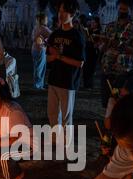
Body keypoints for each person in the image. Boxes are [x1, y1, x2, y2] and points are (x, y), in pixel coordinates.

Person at [46, 0, 85, 128]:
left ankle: (65, 144)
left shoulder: (76, 36)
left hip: (68, 82)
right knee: (52, 113)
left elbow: (80, 63)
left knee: (66, 117)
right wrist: (53, 56)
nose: (61, 15)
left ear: (73, 14)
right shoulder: (55, 34)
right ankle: (54, 139)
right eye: (60, 11)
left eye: (65, 12)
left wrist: (59, 56)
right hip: (53, 80)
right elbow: (47, 59)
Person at [100, 0, 133, 112]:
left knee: (121, 103)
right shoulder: (110, 26)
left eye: (124, 9)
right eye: (120, 9)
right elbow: (103, 48)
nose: (121, 11)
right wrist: (101, 44)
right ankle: (107, 124)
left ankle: (119, 126)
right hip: (107, 69)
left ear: (130, 11)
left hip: (123, 72)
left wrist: (121, 46)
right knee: (107, 102)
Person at [31, 13, 52, 90]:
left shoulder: (36, 27)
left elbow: (32, 38)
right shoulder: (43, 28)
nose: (47, 20)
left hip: (34, 49)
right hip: (40, 49)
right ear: (43, 20)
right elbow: (52, 35)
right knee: (40, 67)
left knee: (37, 67)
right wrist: (46, 41)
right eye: (46, 19)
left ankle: (38, 84)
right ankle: (38, 85)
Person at [82, 17, 101, 89]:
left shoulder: (98, 32)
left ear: (97, 24)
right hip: (87, 51)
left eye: (94, 23)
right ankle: (86, 85)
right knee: (86, 69)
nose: (92, 24)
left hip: (93, 53)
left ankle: (89, 85)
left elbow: (97, 43)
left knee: (91, 69)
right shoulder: (89, 31)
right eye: (91, 23)